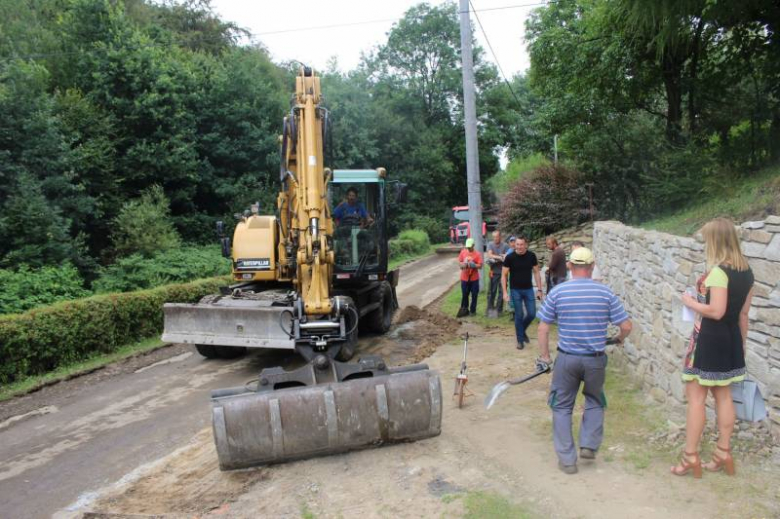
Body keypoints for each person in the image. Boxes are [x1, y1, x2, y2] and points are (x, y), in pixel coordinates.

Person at [536, 247, 633, 474]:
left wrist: (545, 357)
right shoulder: (605, 293)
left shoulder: (558, 293)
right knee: (595, 400)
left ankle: (568, 460)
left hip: (567, 359)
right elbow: (627, 326)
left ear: (569, 266)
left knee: (561, 406)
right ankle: (588, 444)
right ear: (591, 267)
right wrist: (618, 338)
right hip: (595, 360)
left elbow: (543, 328)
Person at [673, 218, 754, 478]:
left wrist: (688, 301)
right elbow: (742, 314)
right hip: (731, 341)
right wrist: (740, 345)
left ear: (715, 241)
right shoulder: (747, 271)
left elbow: (716, 311)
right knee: (724, 395)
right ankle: (723, 452)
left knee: (696, 398)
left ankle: (690, 457)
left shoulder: (719, 272)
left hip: (709, 339)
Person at [502, 236, 543, 349]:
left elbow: (536, 272)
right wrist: (505, 292)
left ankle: (522, 330)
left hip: (528, 289)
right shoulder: (510, 258)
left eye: (521, 244)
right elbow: (504, 276)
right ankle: (520, 340)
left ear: (526, 245)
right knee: (519, 315)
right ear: (515, 245)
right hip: (515, 290)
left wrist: (539, 290)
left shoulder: (531, 256)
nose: (519, 247)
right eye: (517, 244)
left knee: (531, 314)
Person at [457, 238, 483, 317]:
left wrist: (473, 265)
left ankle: (473, 311)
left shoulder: (477, 254)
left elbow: (480, 265)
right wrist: (462, 265)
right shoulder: (463, 252)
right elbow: (459, 262)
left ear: (473, 245)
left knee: (474, 295)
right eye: (467, 246)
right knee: (465, 294)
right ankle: (464, 310)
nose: (468, 248)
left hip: (474, 279)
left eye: (470, 246)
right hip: (464, 278)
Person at [486, 231, 510, 315]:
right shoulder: (490, 244)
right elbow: (489, 255)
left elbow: (507, 257)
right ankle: (489, 309)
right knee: (491, 291)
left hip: (503, 272)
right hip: (493, 271)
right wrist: (500, 257)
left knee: (501, 291)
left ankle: (499, 310)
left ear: (500, 237)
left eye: (496, 237)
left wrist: (498, 257)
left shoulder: (505, 245)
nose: (495, 239)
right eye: (494, 237)